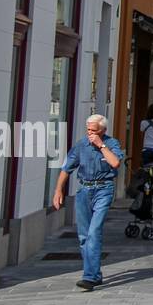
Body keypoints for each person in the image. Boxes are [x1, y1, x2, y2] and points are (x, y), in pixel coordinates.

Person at [52, 115, 124, 291]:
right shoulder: (81, 145)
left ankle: (89, 277)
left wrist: (101, 145)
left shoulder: (111, 144)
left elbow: (115, 163)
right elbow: (66, 168)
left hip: (104, 189)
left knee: (94, 232)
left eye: (94, 131)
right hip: (84, 190)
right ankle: (95, 274)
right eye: (88, 130)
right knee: (84, 236)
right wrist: (58, 190)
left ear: (103, 131)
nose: (90, 134)